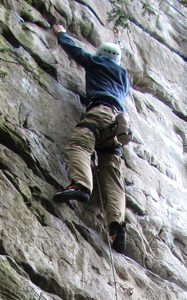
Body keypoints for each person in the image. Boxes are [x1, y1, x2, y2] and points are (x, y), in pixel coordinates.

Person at [52, 24, 131, 253]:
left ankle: (82, 185)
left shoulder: (97, 63)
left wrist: (61, 33)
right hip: (117, 124)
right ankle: (116, 225)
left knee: (79, 145)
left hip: (100, 112)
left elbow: (75, 52)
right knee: (111, 173)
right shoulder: (124, 77)